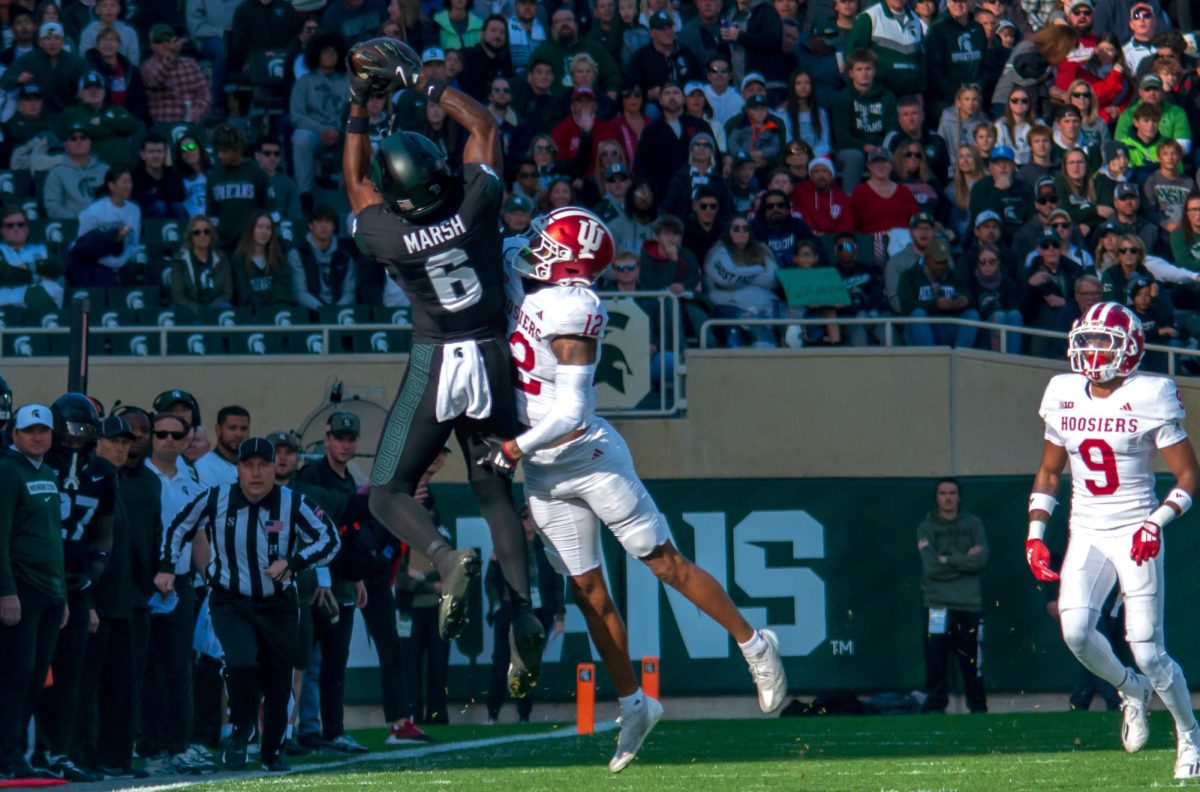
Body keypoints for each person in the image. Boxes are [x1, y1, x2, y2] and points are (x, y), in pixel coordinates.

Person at [490, 206, 786, 772]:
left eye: (544, 240)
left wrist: (513, 448)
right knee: (588, 593)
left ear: (568, 259)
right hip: (543, 472)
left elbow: (573, 410)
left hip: (588, 457)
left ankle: (755, 645)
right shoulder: (516, 264)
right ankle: (635, 704)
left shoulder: (577, 304)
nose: (530, 245)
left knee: (665, 564)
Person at [343, 38, 546, 692]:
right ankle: (522, 616)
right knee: (495, 495)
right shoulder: (475, 205)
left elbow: (355, 183)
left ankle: (443, 555)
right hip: (490, 358)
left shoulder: (388, 235)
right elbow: (483, 125)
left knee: (384, 491)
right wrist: (425, 84)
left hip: (435, 359)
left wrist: (357, 106)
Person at [1026, 300, 1200, 781]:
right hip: (1086, 529)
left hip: (1135, 528)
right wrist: (1036, 533)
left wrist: (1157, 522)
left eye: (1104, 341)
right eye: (1087, 339)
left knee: (1148, 649)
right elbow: (1049, 469)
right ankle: (1131, 689)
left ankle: (1189, 734)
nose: (1093, 350)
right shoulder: (1062, 391)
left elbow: (1188, 475)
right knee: (1076, 631)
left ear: (1129, 348)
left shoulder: (1151, 393)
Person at [156, 437, 340, 773]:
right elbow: (178, 526)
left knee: (278, 679)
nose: (255, 473)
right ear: (238, 469)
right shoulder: (217, 497)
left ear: (274, 469)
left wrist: (294, 562)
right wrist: (168, 566)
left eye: (263, 465)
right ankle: (241, 730)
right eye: (248, 465)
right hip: (230, 599)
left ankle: (272, 750)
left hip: (278, 603)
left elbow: (330, 538)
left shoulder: (293, 502)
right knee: (241, 662)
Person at [36, 394, 115, 783]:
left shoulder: (102, 472)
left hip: (78, 584)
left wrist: (94, 569)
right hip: (36, 582)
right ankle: (22, 749)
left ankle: (60, 751)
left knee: (71, 675)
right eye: (70, 428)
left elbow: (105, 531)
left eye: (84, 429)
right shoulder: (35, 466)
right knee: (30, 672)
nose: (75, 437)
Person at [0, 404, 64, 782]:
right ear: (15, 435)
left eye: (43, 430)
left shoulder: (49, 473)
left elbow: (52, 539)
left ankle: (16, 751)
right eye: (29, 431)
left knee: (36, 676)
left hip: (50, 593)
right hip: (20, 590)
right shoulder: (8, 471)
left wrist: (63, 597)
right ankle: (8, 754)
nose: (37, 437)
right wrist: (6, 591)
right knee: (16, 675)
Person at [485, 504, 564, 724]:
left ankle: (524, 714)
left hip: (536, 612)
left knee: (528, 664)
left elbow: (557, 583)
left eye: (533, 517)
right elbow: (490, 581)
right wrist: (497, 604)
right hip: (510, 610)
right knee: (501, 661)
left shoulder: (546, 548)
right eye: (524, 517)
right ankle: (493, 713)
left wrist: (559, 615)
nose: (529, 521)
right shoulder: (505, 546)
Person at [918, 478, 988, 714]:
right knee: (936, 661)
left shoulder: (974, 523)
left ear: (959, 497)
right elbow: (931, 567)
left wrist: (948, 559)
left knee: (972, 663)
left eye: (952, 493)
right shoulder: (926, 527)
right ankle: (936, 709)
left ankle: (978, 709)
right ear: (936, 497)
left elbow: (980, 560)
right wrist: (963, 560)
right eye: (943, 493)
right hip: (937, 606)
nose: (948, 497)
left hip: (969, 606)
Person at [290, 34, 349, 196]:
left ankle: (351, 191)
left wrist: (339, 130)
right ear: (316, 54)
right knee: (301, 138)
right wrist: (322, 129)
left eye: (333, 52)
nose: (330, 55)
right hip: (315, 131)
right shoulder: (304, 82)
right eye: (325, 52)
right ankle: (305, 194)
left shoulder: (350, 81)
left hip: (345, 131)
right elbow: (297, 115)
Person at [898, 237, 979, 348]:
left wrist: (964, 300)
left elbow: (968, 295)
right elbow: (906, 307)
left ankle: (959, 357)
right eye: (938, 261)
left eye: (945, 261)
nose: (942, 265)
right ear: (927, 258)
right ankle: (932, 359)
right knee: (918, 314)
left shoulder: (955, 275)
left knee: (972, 314)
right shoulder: (909, 276)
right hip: (920, 330)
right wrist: (935, 304)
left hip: (948, 327)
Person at [206, 124, 271, 253]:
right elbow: (212, 215)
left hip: (251, 245)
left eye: (224, 151)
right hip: (224, 246)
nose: (219, 155)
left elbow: (269, 208)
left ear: (237, 150)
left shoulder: (255, 172)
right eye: (217, 151)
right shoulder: (214, 176)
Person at [288, 205, 357, 310]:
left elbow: (349, 293)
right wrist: (323, 310)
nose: (323, 226)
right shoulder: (298, 254)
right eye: (319, 221)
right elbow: (299, 293)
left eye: (328, 222)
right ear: (310, 225)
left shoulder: (345, 257)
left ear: (334, 227)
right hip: (309, 315)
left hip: (339, 316)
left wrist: (335, 311)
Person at [140, 24, 210, 124]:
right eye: (159, 41)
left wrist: (197, 112)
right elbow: (154, 80)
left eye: (167, 39)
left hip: (190, 125)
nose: (164, 44)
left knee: (194, 139)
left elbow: (204, 93)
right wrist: (171, 55)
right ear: (152, 45)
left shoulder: (190, 63)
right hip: (163, 126)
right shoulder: (147, 66)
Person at [43, 124, 108, 221]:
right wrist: (80, 219)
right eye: (73, 138)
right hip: (72, 227)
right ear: (66, 145)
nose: (78, 141)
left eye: (83, 138)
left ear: (89, 143)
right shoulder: (56, 173)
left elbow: (116, 201)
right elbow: (53, 208)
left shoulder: (106, 170)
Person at [169, 215, 233, 311]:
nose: (202, 235)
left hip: (215, 310)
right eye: (197, 232)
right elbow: (179, 296)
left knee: (226, 306)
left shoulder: (222, 259)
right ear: (190, 236)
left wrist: (210, 310)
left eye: (206, 232)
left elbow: (227, 293)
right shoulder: (180, 261)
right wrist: (199, 311)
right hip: (191, 311)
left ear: (211, 235)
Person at [233, 212, 294, 307]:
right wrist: (262, 310)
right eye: (260, 227)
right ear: (251, 230)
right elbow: (243, 293)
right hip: (251, 314)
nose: (264, 232)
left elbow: (283, 289)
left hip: (276, 312)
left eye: (268, 228)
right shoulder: (239, 259)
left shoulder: (279, 258)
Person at [132, 133, 187, 220]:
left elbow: (179, 197)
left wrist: (169, 168)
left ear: (166, 154)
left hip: (171, 215)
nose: (156, 156)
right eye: (151, 152)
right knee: (160, 206)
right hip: (145, 220)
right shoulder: (135, 175)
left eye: (159, 151)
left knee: (178, 206)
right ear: (143, 155)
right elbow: (136, 202)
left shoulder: (173, 174)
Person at [194, 406, 250, 487]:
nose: (239, 434)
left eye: (244, 429)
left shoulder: (253, 467)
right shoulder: (204, 467)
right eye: (232, 428)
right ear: (218, 430)